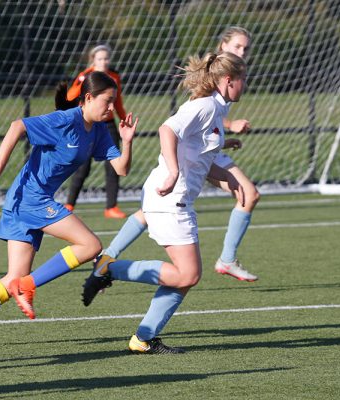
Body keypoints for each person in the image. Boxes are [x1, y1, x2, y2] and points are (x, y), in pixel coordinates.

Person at [0, 71, 138, 348]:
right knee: (90, 245)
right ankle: (26, 286)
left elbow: (121, 169)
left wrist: (127, 140)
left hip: (25, 201)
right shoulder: (67, 119)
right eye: (107, 101)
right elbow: (17, 126)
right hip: (31, 200)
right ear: (88, 98)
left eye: (114, 101)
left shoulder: (100, 132)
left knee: (13, 278)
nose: (111, 108)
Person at [82, 51, 247, 354]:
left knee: (185, 278)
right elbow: (166, 130)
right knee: (188, 274)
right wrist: (172, 171)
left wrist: (228, 177)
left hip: (172, 199)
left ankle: (143, 337)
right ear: (228, 81)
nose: (245, 85)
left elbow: (197, 159)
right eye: (242, 79)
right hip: (170, 199)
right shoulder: (206, 106)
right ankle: (109, 269)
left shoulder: (211, 110)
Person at [96, 26, 259, 282]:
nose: (243, 52)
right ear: (222, 48)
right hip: (191, 156)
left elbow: (206, 128)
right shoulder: (217, 84)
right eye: (238, 47)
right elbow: (187, 121)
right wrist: (230, 127)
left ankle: (107, 258)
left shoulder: (225, 88)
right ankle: (226, 259)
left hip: (202, 151)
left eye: (246, 49)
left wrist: (224, 139)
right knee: (244, 195)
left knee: (151, 210)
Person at [63, 44, 128, 219]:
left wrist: (123, 119)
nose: (104, 62)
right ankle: (69, 205)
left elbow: (118, 101)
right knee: (82, 166)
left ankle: (111, 207)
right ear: (93, 60)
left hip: (108, 125)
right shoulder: (85, 76)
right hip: (88, 124)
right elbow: (70, 96)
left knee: (113, 165)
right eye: (100, 59)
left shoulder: (114, 76)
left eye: (106, 58)